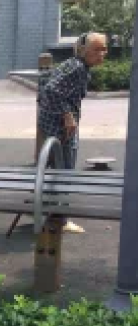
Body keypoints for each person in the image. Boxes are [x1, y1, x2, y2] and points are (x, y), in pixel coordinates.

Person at [38, 31, 108, 234]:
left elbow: (49, 87)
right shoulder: (77, 68)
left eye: (104, 49)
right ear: (84, 50)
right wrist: (68, 115)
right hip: (60, 128)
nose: (102, 53)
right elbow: (51, 90)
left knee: (58, 171)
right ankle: (59, 220)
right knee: (65, 172)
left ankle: (52, 214)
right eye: (97, 49)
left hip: (55, 125)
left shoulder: (76, 65)